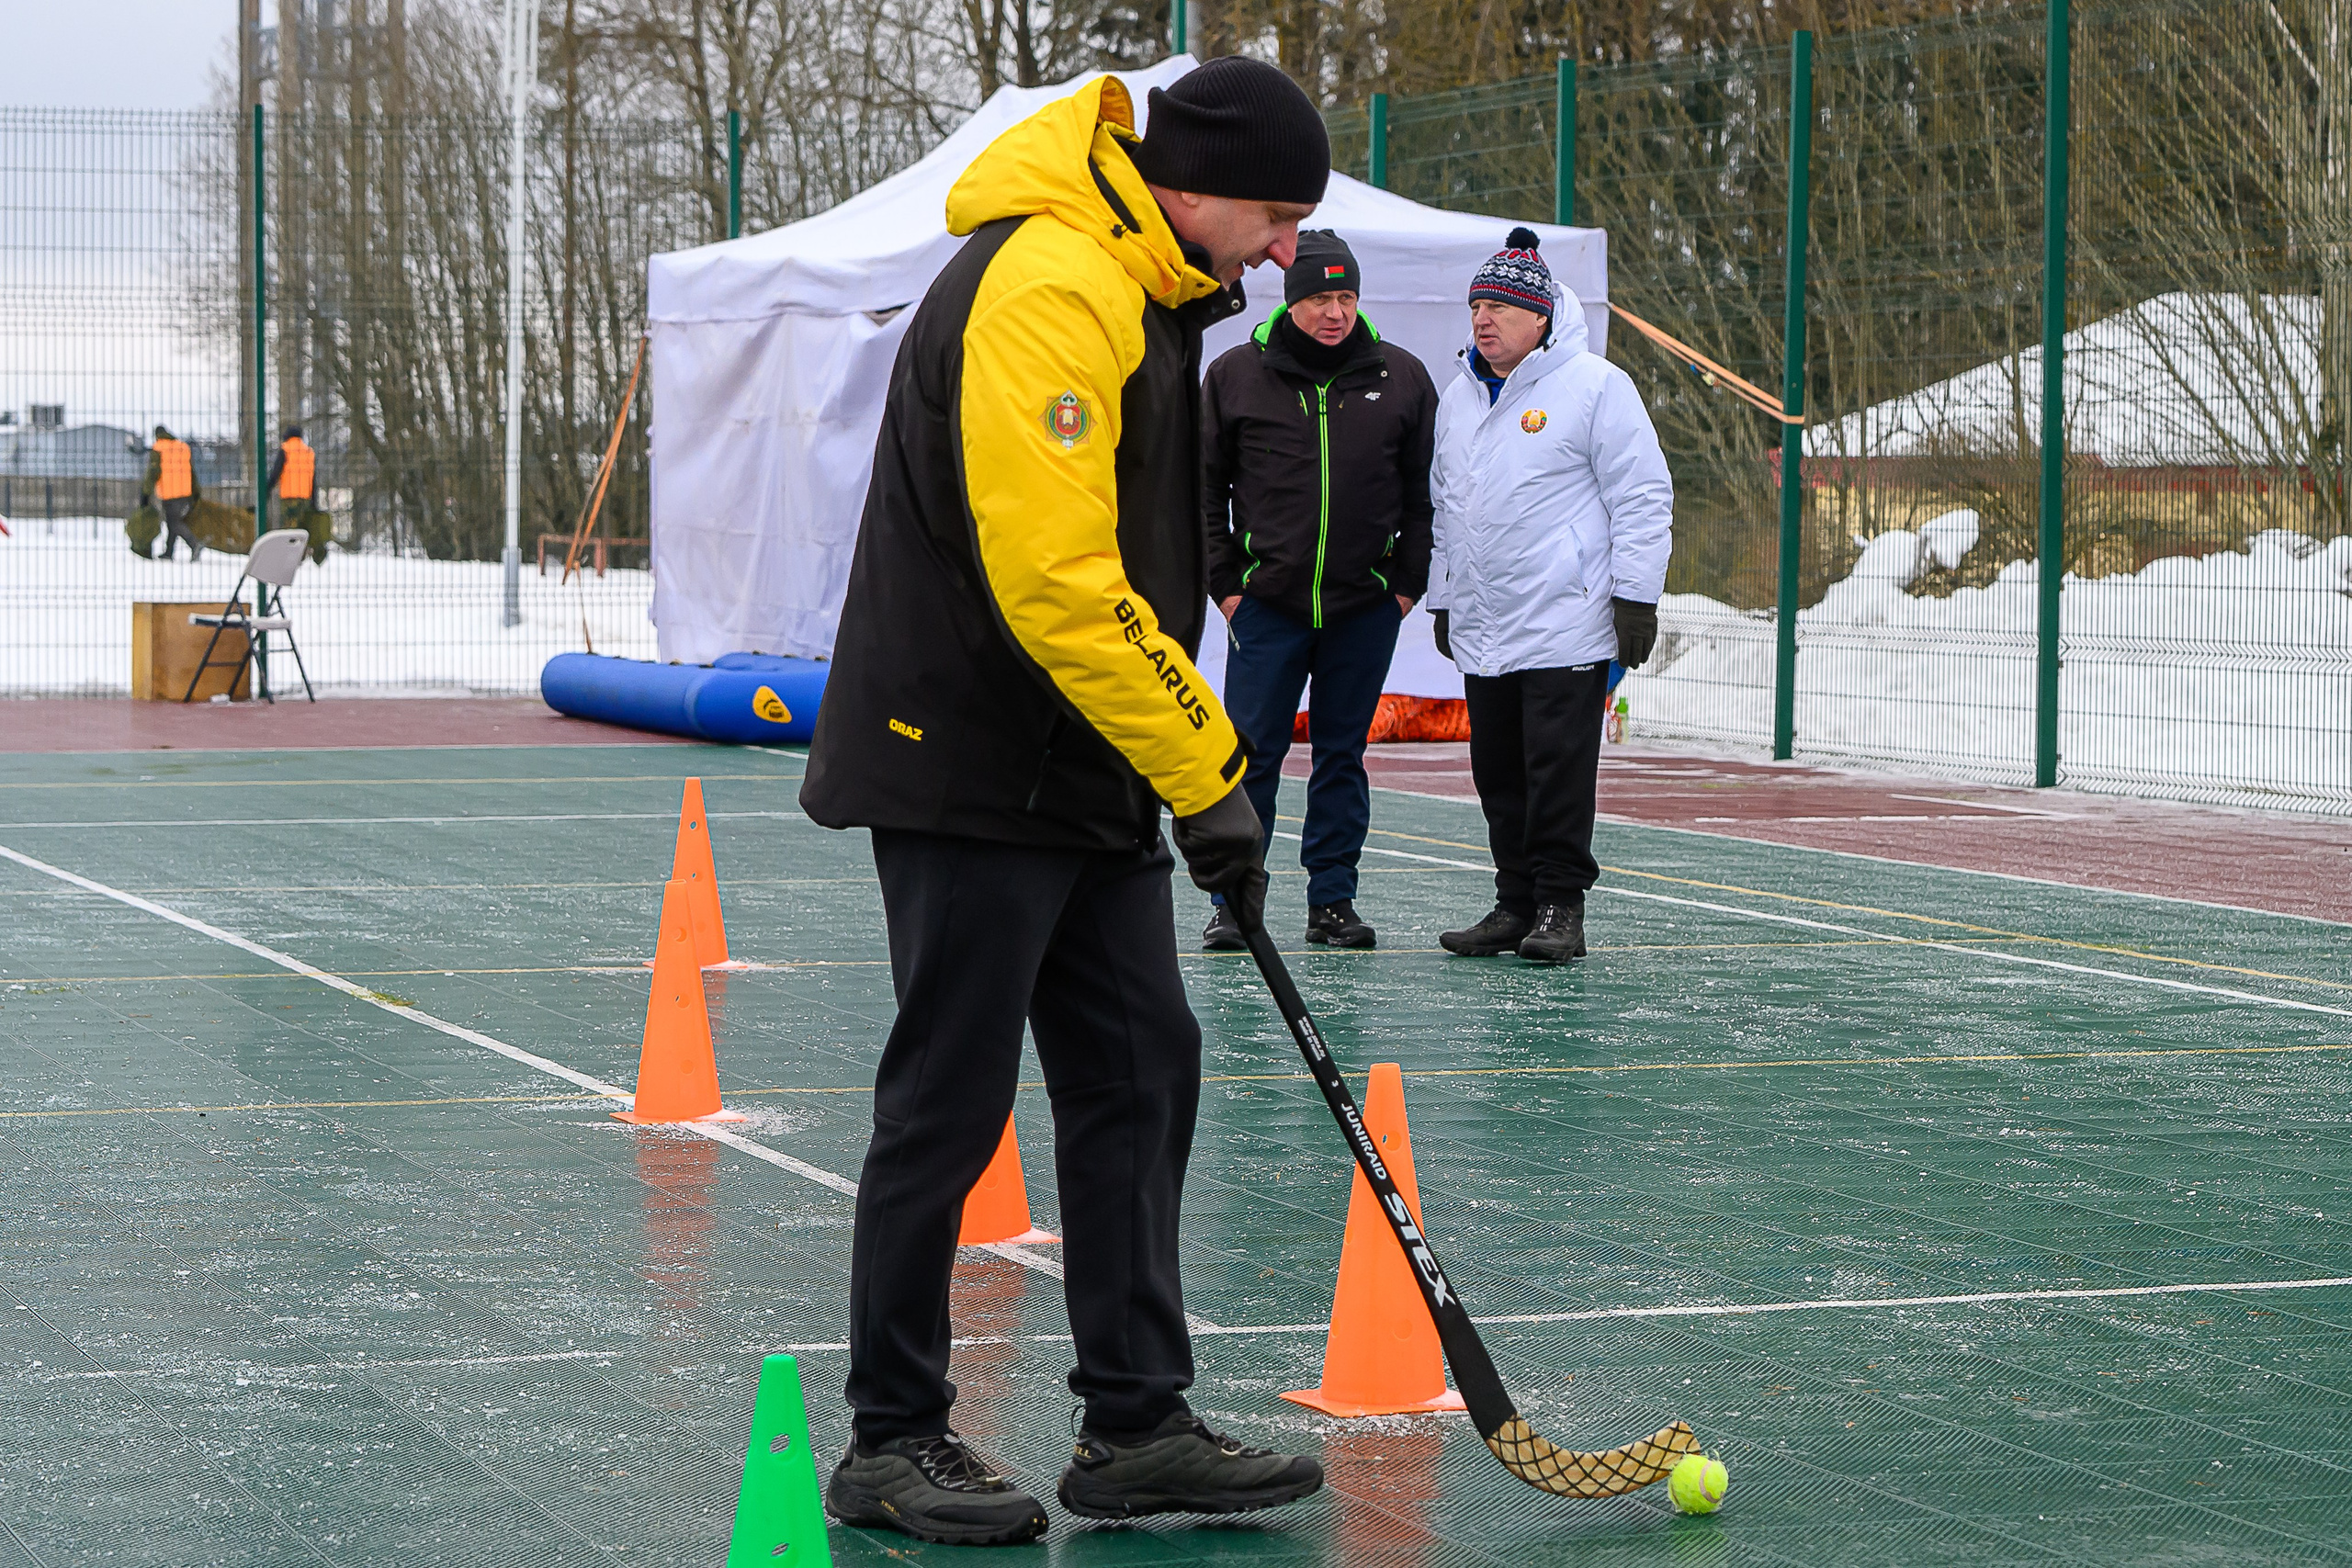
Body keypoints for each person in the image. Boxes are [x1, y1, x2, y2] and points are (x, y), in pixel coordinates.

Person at [798, 58, 1331, 1548]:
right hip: (969, 755)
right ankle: (894, 1438)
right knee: (950, 1094)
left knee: (1143, 1067)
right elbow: (1056, 581)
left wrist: (1177, 766)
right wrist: (1209, 768)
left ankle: (1136, 1422)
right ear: (1199, 181)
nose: (1286, 249)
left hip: (1081, 760)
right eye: (1278, 213)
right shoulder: (1052, 282)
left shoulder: (1147, 288)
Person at [1425, 228, 1672, 964]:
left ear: (1541, 317)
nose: (1483, 319)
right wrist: (1445, 596)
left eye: (1500, 305)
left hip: (1568, 618)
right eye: (1477, 305)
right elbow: (1447, 504)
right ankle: (1515, 901)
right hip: (1486, 623)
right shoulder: (1458, 398)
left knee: (1557, 770)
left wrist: (1636, 595)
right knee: (1497, 772)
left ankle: (1562, 904)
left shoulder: (1596, 385)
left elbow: (1642, 494)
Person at [1198, 231, 1436, 952]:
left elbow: (1424, 496)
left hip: (1364, 608)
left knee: (1342, 755)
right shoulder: (1236, 374)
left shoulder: (1402, 378)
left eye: (1345, 296)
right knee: (1251, 756)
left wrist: (1404, 585)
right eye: (1318, 298)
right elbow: (1204, 490)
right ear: (1290, 300)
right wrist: (1228, 585)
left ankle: (1332, 902)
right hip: (1267, 607)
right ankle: (1235, 902)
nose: (1334, 312)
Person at [266, 424, 331, 563]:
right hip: (305, 498)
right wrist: (314, 501)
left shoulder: (285, 450)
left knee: (290, 529)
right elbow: (313, 480)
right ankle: (315, 553)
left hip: (289, 498)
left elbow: (276, 473)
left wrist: (267, 489)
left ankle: (291, 558)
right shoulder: (309, 452)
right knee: (304, 527)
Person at [147, 425, 202, 561]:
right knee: (173, 522)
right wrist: (196, 491)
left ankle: (194, 543)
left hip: (169, 492)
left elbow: (152, 472)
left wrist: (145, 492)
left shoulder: (158, 448)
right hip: (185, 492)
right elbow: (191, 471)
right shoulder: (182, 447)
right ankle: (169, 552)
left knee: (174, 522)